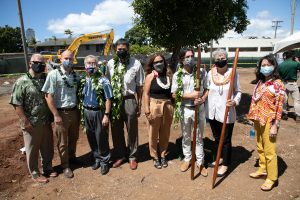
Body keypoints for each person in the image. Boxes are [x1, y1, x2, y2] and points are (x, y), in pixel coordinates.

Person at [10, 54, 56, 183]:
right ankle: (35, 173)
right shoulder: (21, 82)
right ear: (30, 63)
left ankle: (48, 168)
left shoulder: (45, 79)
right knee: (32, 149)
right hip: (31, 123)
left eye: (42, 63)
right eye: (37, 62)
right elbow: (16, 103)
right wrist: (25, 121)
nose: (40, 65)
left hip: (46, 120)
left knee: (47, 147)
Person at [248, 55, 286, 191]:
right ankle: (263, 169)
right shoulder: (260, 83)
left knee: (270, 151)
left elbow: (279, 107)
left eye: (267, 65)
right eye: (262, 65)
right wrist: (253, 119)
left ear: (274, 66)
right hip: (258, 119)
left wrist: (275, 126)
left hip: (270, 121)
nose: (265, 67)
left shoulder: (278, 85)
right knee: (259, 146)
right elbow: (255, 101)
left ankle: (272, 178)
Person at [106, 38, 144, 170]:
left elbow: (139, 86)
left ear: (128, 49)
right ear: (115, 50)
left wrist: (139, 104)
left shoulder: (136, 63)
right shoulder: (110, 63)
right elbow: (107, 83)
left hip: (129, 99)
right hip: (115, 101)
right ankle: (120, 155)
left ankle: (132, 156)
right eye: (118, 49)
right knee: (116, 130)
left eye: (123, 49)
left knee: (132, 129)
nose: (121, 51)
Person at [42, 50, 80, 178]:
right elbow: (48, 96)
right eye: (66, 58)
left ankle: (72, 157)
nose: (68, 60)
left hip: (74, 111)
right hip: (61, 113)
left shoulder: (76, 75)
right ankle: (65, 165)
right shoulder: (53, 75)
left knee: (74, 138)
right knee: (62, 142)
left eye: (70, 58)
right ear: (60, 59)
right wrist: (55, 114)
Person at [204, 48, 241, 177]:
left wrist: (235, 101)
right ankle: (219, 158)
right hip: (212, 112)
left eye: (222, 58)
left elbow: (238, 91)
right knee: (217, 138)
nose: (220, 60)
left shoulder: (233, 72)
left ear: (227, 59)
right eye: (217, 59)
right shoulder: (210, 73)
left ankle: (225, 164)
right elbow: (208, 89)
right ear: (214, 60)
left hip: (227, 112)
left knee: (225, 140)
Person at [171, 48, 208, 176]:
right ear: (182, 59)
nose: (190, 58)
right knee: (186, 136)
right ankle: (187, 159)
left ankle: (200, 162)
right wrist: (191, 95)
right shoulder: (177, 75)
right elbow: (175, 94)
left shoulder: (201, 72)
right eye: (187, 56)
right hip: (185, 109)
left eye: (192, 56)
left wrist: (202, 98)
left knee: (198, 137)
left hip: (199, 109)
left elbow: (207, 88)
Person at [77, 55, 112, 175]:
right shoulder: (83, 80)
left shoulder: (104, 80)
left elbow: (108, 99)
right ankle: (96, 157)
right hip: (87, 111)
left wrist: (106, 115)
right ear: (84, 66)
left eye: (93, 63)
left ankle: (104, 161)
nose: (91, 66)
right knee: (91, 136)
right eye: (88, 63)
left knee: (101, 137)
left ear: (97, 66)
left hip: (99, 112)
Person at [144, 54, 173, 169]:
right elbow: (146, 93)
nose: (159, 64)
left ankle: (163, 154)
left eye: (161, 61)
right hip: (154, 105)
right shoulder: (150, 77)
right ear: (152, 64)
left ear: (164, 62)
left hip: (168, 106)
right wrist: (146, 109)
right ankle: (155, 156)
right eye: (156, 62)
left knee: (165, 132)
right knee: (153, 133)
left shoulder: (169, 75)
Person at [279, 51, 300, 122]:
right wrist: (297, 61)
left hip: (284, 83)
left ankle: (284, 114)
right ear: (292, 56)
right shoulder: (295, 63)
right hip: (293, 83)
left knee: (284, 99)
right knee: (297, 100)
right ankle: (298, 116)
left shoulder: (281, 64)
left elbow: (279, 75)